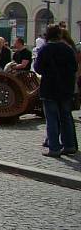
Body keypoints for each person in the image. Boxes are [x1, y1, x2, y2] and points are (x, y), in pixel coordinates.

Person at [35, 24, 78, 157]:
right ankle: (69, 145)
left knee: (52, 119)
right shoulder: (67, 49)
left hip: (50, 88)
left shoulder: (44, 49)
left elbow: (38, 68)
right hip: (66, 88)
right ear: (59, 34)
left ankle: (54, 148)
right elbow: (74, 67)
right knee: (66, 117)